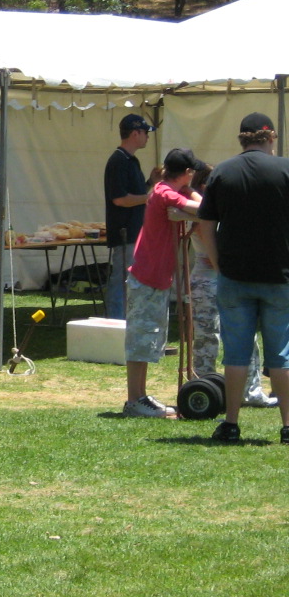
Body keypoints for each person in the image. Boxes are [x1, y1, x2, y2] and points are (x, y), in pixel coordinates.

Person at [197, 112, 289, 443]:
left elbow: (205, 225)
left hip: (234, 276)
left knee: (235, 354)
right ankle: (288, 426)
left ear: (242, 138)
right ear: (271, 137)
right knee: (281, 356)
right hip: (280, 276)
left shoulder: (222, 171)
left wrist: (217, 263)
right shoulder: (286, 169)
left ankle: (231, 423)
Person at [121, 148, 202, 417]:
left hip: (154, 277)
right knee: (139, 341)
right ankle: (134, 400)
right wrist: (192, 194)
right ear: (187, 172)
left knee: (147, 341)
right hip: (147, 276)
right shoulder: (164, 192)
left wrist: (188, 190)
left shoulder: (166, 190)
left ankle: (140, 396)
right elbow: (204, 208)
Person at [188, 164, 275, 407]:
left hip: (224, 278)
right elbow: (210, 242)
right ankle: (205, 388)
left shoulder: (214, 207)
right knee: (208, 337)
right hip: (208, 279)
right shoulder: (201, 209)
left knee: (245, 335)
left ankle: (250, 390)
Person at [104, 113, 160, 319]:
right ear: (135, 133)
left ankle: (124, 321)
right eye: (145, 132)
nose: (147, 137)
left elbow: (132, 194)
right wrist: (151, 197)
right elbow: (120, 199)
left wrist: (150, 183)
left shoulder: (129, 160)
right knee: (121, 281)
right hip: (124, 231)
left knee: (128, 280)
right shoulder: (119, 161)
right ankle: (116, 323)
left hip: (132, 231)